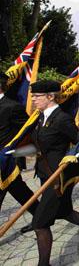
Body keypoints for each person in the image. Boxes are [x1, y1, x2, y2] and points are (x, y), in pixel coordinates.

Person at [30, 80, 79, 266]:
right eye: (32, 96)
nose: (33, 100)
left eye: (36, 97)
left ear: (50, 97)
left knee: (40, 224)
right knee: (63, 211)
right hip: (46, 174)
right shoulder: (40, 117)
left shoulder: (62, 119)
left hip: (59, 178)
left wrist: (72, 155)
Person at [0, 72, 38, 234]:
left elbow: (29, 130)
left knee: (18, 192)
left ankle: (41, 218)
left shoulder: (12, 107)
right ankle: (40, 218)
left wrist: (21, 151)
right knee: (21, 193)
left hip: (8, 163)